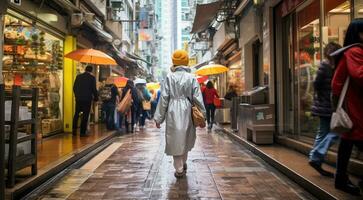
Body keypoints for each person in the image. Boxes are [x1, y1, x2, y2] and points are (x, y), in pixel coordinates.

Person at [154, 49, 206, 178]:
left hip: (172, 110)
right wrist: (202, 116)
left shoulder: (169, 77)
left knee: (175, 139)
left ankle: (179, 168)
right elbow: (198, 98)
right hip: (188, 110)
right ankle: (183, 162)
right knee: (186, 138)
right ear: (186, 61)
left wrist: (158, 118)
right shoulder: (192, 78)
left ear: (174, 62)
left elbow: (164, 98)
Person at [331, 19, 363, 196]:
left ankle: (340, 178)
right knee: (352, 139)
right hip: (353, 106)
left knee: (348, 141)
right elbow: (360, 75)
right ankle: (341, 179)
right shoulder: (355, 51)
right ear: (358, 34)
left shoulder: (349, 51)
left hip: (351, 106)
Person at [308, 42, 341, 177]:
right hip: (329, 106)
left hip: (326, 106)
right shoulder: (330, 66)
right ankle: (316, 156)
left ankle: (315, 159)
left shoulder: (326, 65)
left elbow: (316, 84)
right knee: (338, 132)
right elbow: (317, 84)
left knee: (323, 132)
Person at [72, 65, 98, 137]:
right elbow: (94, 89)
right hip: (87, 99)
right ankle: (82, 132)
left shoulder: (78, 76)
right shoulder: (92, 78)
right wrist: (96, 98)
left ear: (85, 69)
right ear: (91, 70)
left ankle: (74, 131)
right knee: (85, 115)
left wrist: (77, 95)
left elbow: (74, 87)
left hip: (79, 99)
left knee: (76, 114)